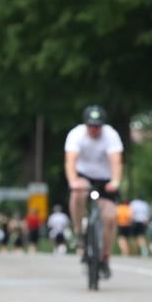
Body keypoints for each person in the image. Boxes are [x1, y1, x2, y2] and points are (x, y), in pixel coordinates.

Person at [65, 105, 123, 279]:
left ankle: (105, 257)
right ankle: (78, 231)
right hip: (84, 176)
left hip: (105, 179)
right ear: (85, 124)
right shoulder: (76, 135)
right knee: (77, 193)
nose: (94, 129)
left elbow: (116, 161)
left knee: (110, 217)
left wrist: (116, 181)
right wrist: (73, 181)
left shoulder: (111, 135)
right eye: (91, 126)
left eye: (97, 126)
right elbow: (70, 161)